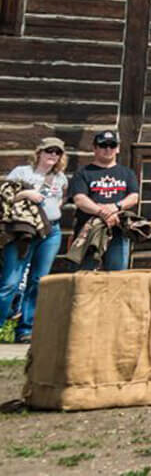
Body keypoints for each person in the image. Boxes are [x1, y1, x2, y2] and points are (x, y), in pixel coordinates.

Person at [2, 137, 68, 343]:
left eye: (57, 152)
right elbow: (5, 197)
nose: (53, 155)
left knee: (38, 281)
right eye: (49, 151)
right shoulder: (21, 172)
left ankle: (25, 330)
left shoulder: (61, 178)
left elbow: (61, 200)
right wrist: (26, 194)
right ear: (39, 152)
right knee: (10, 281)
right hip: (24, 231)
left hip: (51, 231)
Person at [65, 130, 140, 271]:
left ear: (117, 149)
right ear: (94, 148)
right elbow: (80, 199)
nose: (108, 149)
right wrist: (102, 212)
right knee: (85, 275)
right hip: (88, 231)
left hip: (118, 232)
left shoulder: (127, 173)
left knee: (116, 276)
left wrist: (115, 207)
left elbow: (134, 197)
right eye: (103, 145)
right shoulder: (83, 173)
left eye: (112, 145)